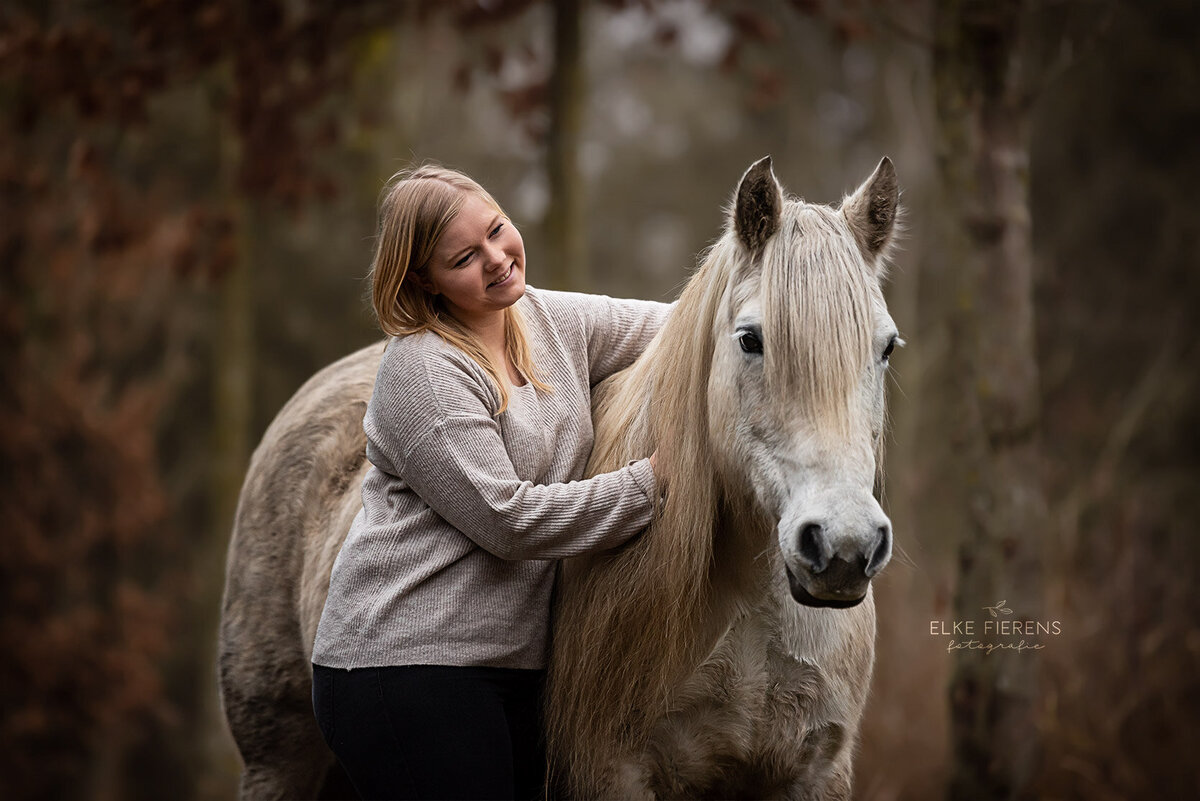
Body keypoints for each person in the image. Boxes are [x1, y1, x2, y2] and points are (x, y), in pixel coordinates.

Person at [310, 164, 671, 801]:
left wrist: (776, 310)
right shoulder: (422, 369)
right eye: (464, 258)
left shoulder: (550, 319)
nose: (498, 259)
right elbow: (508, 520)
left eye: (498, 231)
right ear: (423, 280)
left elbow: (685, 331)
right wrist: (651, 485)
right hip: (403, 667)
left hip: (510, 665)